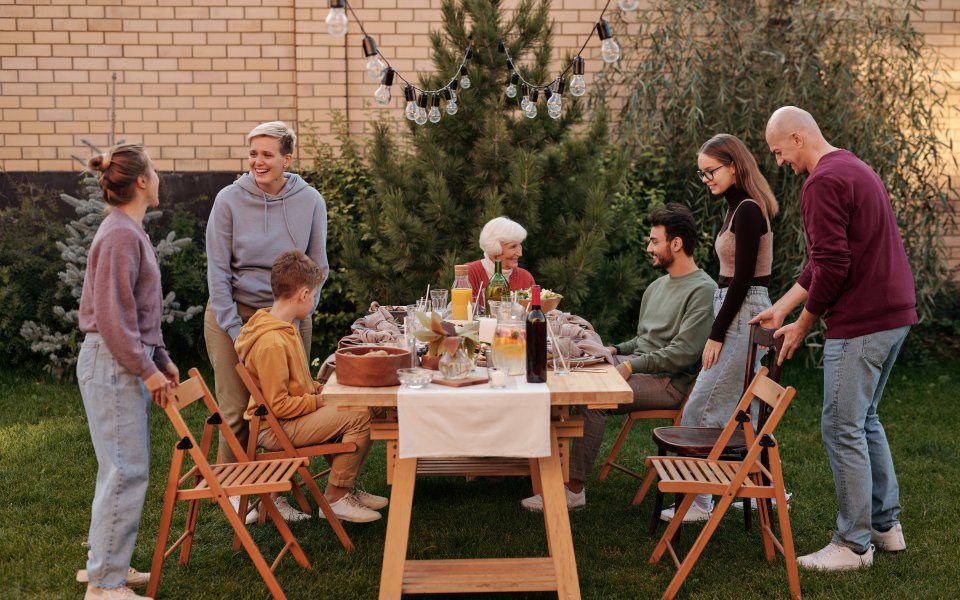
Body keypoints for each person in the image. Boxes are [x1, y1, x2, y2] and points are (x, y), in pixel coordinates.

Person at [755, 106, 916, 571]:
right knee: (864, 420)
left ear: (799, 138)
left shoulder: (821, 182)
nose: (779, 161)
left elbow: (835, 265)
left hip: (862, 322)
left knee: (842, 427)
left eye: (779, 150)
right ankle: (886, 528)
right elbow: (826, 258)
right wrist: (783, 306)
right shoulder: (853, 166)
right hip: (893, 315)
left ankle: (852, 544)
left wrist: (803, 324)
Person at [521, 203, 716, 511]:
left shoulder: (703, 290)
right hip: (642, 367)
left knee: (593, 399)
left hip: (669, 383)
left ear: (676, 244)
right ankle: (534, 468)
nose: (648, 247)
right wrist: (613, 350)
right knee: (563, 375)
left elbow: (682, 354)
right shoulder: (656, 286)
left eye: (654, 240)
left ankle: (573, 490)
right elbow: (646, 340)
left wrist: (628, 365)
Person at [77, 144, 178, 600]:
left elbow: (137, 314)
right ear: (141, 181)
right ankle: (105, 585)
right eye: (153, 171)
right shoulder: (119, 234)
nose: (157, 177)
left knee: (120, 468)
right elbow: (115, 320)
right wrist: (146, 369)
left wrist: (160, 360)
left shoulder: (127, 230)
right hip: (113, 360)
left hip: (122, 357)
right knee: (123, 470)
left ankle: (108, 566)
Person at [663, 133, 779, 523]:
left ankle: (700, 500)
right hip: (734, 306)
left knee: (703, 403)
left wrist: (716, 333)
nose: (707, 178)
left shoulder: (747, 210)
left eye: (710, 171)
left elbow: (744, 278)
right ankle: (753, 487)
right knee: (724, 402)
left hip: (743, 311)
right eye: (702, 173)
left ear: (733, 165)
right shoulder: (735, 208)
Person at [204, 121, 329, 470]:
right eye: (253, 154)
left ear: (287, 159)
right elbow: (217, 271)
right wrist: (235, 330)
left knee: (291, 404)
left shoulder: (310, 201)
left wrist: (301, 311)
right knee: (236, 412)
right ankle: (235, 491)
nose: (258, 162)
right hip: (234, 313)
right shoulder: (228, 200)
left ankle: (279, 491)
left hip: (289, 316)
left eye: (267, 154)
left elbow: (319, 267)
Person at [235, 250, 388, 523]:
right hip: (273, 429)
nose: (314, 300)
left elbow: (298, 385)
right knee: (359, 414)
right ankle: (336, 497)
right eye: (315, 294)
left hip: (291, 418)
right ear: (304, 294)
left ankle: (347, 488)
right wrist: (321, 401)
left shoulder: (286, 327)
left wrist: (321, 389)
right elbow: (278, 405)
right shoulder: (271, 342)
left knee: (368, 404)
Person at [466, 216, 536, 306]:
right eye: (513, 246)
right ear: (494, 247)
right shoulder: (469, 272)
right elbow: (459, 313)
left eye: (520, 245)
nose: (520, 253)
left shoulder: (525, 278)